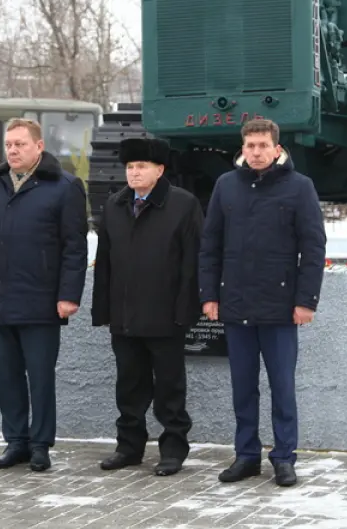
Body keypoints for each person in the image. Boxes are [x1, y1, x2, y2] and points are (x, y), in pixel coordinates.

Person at [199, 118, 327, 488]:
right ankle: (247, 455)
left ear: (276, 148)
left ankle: (284, 457)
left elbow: (314, 248)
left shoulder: (300, 188)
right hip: (235, 306)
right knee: (243, 388)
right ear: (242, 148)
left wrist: (306, 300)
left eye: (262, 145)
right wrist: (209, 295)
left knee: (282, 387)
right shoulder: (226, 186)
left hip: (281, 308)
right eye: (249, 146)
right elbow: (210, 247)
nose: (255, 152)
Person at [0, 117, 88, 472]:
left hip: (42, 300)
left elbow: (74, 247)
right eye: (9, 145)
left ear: (38, 146)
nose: (13, 150)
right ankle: (15, 441)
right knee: (6, 375)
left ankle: (41, 444)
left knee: (40, 376)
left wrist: (68, 296)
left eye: (20, 144)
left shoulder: (64, 186)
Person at [91, 137, 203, 476]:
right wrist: (104, 310)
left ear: (160, 170)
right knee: (129, 386)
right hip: (124, 317)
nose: (134, 173)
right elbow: (105, 260)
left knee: (170, 388)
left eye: (141, 166)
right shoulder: (115, 205)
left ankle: (173, 449)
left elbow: (192, 263)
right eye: (130, 167)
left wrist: (186, 310)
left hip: (166, 316)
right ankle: (129, 447)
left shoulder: (183, 205)